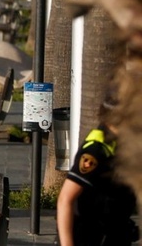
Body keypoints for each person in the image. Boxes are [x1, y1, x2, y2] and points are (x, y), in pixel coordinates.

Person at [57, 88, 138, 246]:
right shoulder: (95, 151)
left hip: (115, 232)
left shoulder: (122, 143)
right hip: (91, 236)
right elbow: (65, 199)